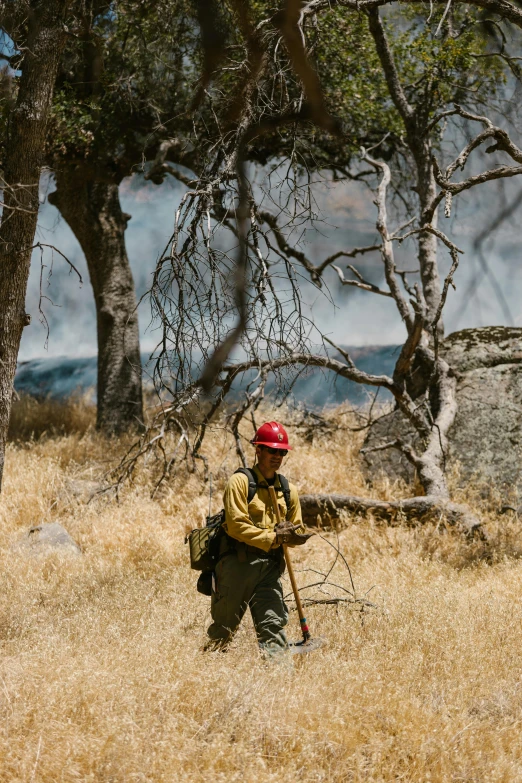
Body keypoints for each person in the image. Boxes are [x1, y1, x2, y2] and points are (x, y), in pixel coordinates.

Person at [205, 421, 313, 656]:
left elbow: (296, 528)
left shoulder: (288, 490)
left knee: (273, 629)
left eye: (282, 452)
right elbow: (235, 526)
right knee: (222, 632)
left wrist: (295, 535)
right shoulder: (240, 482)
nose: (277, 456)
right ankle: (203, 682)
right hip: (237, 566)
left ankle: (281, 686)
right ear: (258, 450)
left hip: (270, 569)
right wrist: (274, 537)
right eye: (272, 450)